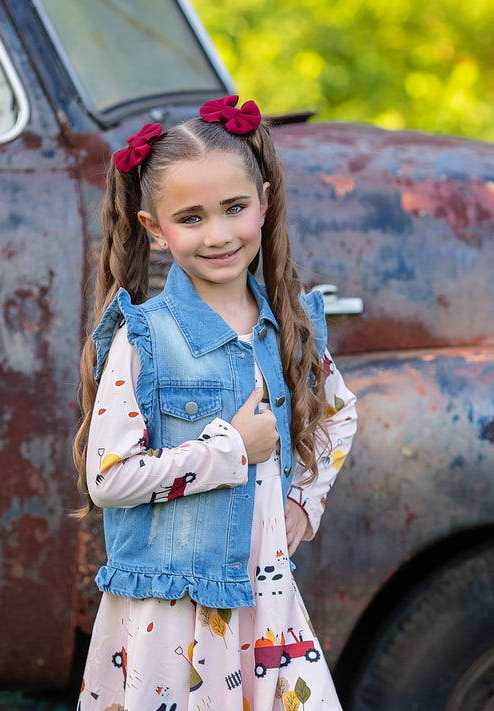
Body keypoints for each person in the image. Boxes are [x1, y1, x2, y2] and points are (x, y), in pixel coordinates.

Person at [74, 95, 357, 711]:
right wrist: (230, 449)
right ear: (154, 228)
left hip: (266, 604)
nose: (220, 234)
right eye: (192, 217)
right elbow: (108, 477)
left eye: (234, 208)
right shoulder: (144, 338)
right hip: (171, 614)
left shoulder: (288, 325)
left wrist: (303, 503)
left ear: (263, 199)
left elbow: (338, 412)